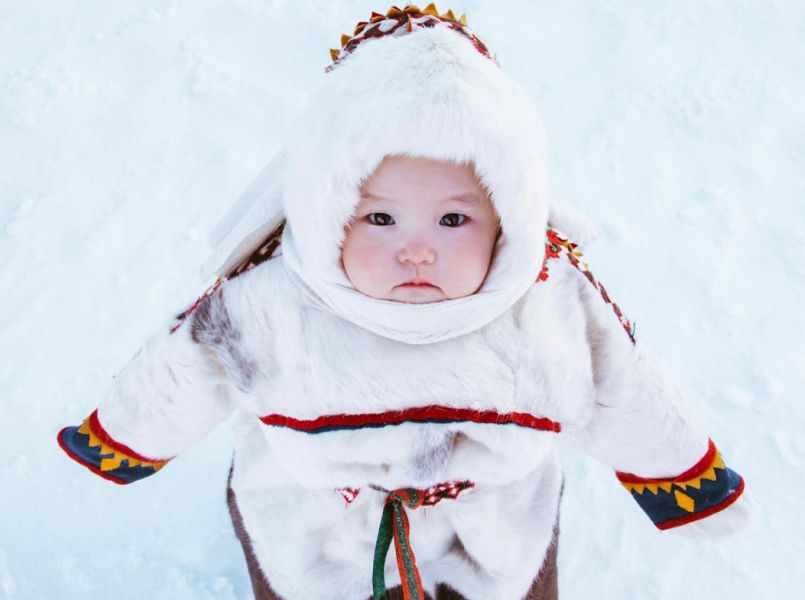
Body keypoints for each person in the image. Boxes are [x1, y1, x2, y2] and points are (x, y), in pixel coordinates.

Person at [57, 5, 752, 599]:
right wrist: (125, 441)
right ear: (323, 210)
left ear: (510, 217)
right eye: (380, 219)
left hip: (492, 521)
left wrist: (685, 479)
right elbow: (184, 369)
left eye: (453, 221)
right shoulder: (271, 298)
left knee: (507, 581)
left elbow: (624, 386)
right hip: (314, 517)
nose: (415, 251)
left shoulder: (543, 297)